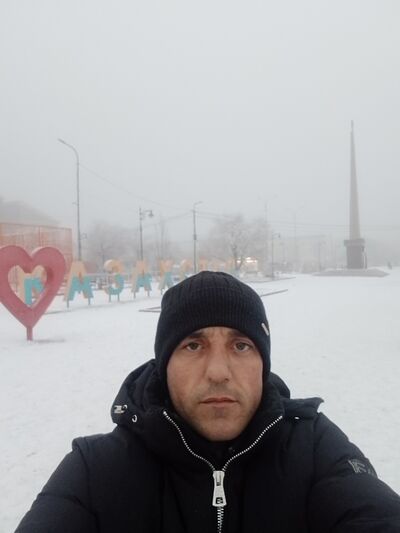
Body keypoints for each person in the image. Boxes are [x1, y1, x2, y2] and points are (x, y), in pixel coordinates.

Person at [16, 271, 400, 532]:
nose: (218, 372)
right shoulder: (96, 471)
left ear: (263, 364)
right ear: (164, 365)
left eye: (241, 345)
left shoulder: (315, 449)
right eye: (193, 345)